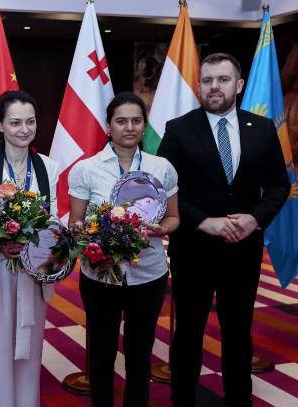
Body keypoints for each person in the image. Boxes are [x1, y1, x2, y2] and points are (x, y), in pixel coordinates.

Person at [157, 53, 290, 407]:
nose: (214, 86)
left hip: (243, 248)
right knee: (188, 332)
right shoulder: (178, 128)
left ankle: (239, 401)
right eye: (207, 81)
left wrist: (254, 218)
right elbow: (163, 188)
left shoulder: (263, 128)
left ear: (239, 85)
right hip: (193, 249)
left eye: (223, 79)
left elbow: (279, 184)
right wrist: (203, 221)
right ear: (199, 86)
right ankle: (183, 400)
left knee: (238, 333)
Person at [68, 92, 180, 407]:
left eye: (136, 120)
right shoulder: (86, 169)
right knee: (102, 357)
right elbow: (75, 225)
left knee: (140, 357)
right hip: (101, 276)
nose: (129, 127)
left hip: (149, 274)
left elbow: (173, 218)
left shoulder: (162, 167)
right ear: (108, 125)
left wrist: (162, 229)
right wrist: (93, 253)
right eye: (121, 120)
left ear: (144, 125)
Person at [0, 90, 59, 407]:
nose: (24, 129)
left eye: (30, 121)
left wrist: (47, 245)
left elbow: (53, 218)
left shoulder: (48, 167)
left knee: (29, 357)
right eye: (15, 122)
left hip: (33, 274)